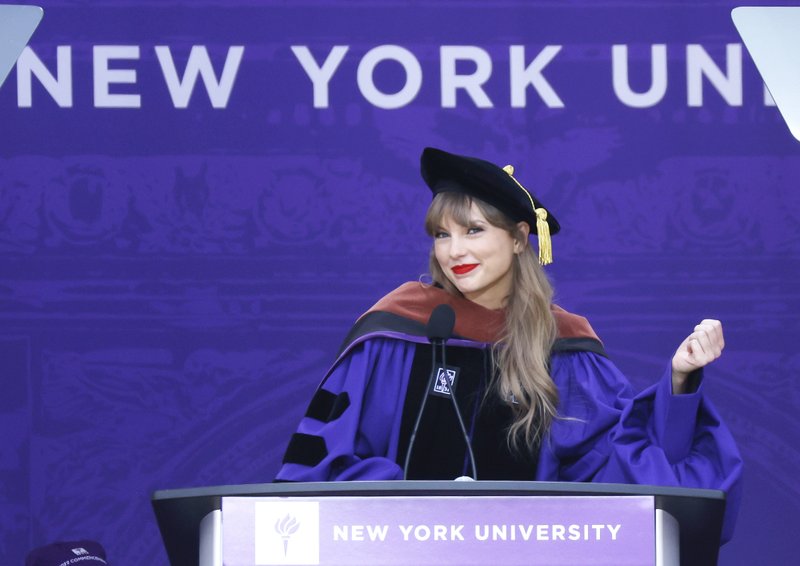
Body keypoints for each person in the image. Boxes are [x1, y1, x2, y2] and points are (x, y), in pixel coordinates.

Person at [275, 147, 742, 542]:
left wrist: (679, 383)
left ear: (521, 238)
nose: (454, 251)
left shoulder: (565, 350)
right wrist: (427, 503)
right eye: (442, 234)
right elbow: (326, 462)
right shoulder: (397, 330)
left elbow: (616, 475)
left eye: (473, 230)